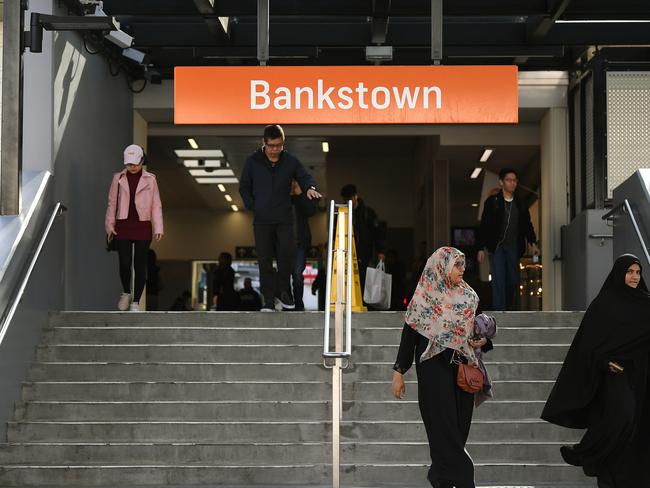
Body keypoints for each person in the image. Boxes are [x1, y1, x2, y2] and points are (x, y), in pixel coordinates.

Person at [541, 254, 650, 487]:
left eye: (637, 272)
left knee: (635, 428)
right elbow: (587, 345)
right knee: (622, 417)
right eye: (629, 271)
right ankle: (587, 451)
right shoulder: (603, 305)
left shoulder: (645, 303)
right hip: (612, 377)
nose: (634, 276)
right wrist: (604, 362)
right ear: (619, 273)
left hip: (639, 375)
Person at [392, 247, 492, 488]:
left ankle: (439, 478)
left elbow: (477, 330)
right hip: (433, 371)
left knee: (457, 432)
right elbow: (410, 336)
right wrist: (399, 372)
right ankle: (465, 480)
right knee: (444, 432)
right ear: (441, 266)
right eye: (456, 265)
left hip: (463, 371)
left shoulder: (469, 296)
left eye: (462, 265)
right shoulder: (424, 297)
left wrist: (483, 340)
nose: (462, 269)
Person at [239, 124, 321, 312]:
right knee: (265, 260)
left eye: (279, 145)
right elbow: (244, 187)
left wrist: (310, 188)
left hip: (284, 219)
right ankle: (268, 300)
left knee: (286, 256)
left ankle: (283, 291)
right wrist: (253, 205)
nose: (275, 150)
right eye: (272, 146)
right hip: (262, 220)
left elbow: (304, 176)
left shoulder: (290, 161)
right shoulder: (253, 161)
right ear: (264, 143)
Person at [105, 144, 163, 312]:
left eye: (135, 163)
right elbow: (112, 203)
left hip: (143, 225)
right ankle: (126, 292)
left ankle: (136, 301)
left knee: (140, 265)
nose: (132, 167)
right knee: (124, 263)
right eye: (129, 164)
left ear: (142, 160)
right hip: (122, 224)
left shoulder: (151, 179)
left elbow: (156, 204)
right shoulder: (118, 178)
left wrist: (158, 227)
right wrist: (110, 225)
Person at [476, 168, 539, 310]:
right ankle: (500, 311)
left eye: (514, 180)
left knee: (513, 279)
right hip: (497, 247)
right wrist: (480, 248)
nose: (512, 183)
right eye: (508, 180)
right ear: (501, 182)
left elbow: (527, 225)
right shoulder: (492, 202)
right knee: (498, 278)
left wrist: (533, 243)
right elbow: (484, 225)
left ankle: (509, 307)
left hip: (513, 247)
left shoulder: (520, 203)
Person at [340, 184, 385, 291]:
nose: (348, 202)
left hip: (366, 253)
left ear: (356, 196)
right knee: (352, 282)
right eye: (345, 199)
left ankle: (367, 305)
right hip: (349, 253)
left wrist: (380, 251)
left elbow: (377, 233)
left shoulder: (368, 213)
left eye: (349, 198)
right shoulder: (343, 213)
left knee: (367, 281)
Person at [291, 179, 317, 311]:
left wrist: (300, 194)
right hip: (283, 244)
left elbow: (311, 211)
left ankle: (298, 303)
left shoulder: (300, 198)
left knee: (297, 274)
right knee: (283, 274)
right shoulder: (280, 198)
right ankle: (288, 303)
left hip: (300, 243)